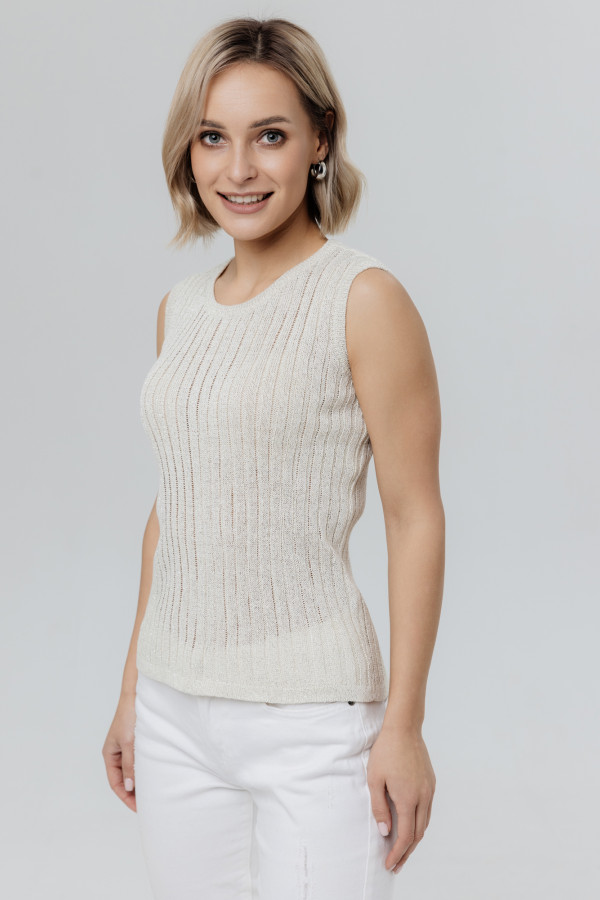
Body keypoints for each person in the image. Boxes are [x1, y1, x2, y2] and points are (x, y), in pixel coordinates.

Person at [102, 16, 444, 900]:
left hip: (314, 722)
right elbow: (173, 507)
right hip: (174, 710)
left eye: (271, 136)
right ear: (189, 151)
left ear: (320, 140)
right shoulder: (181, 310)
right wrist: (133, 689)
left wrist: (404, 726)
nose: (239, 170)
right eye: (213, 138)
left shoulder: (364, 299)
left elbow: (414, 516)